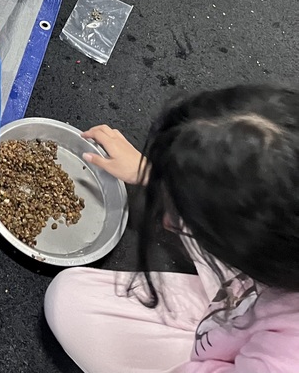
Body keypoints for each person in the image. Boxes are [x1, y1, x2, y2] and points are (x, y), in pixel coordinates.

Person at [45, 85, 299, 373]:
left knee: (68, 304)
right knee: (69, 297)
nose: (167, 223)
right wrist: (158, 175)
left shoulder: (281, 361)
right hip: (253, 302)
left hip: (240, 347)